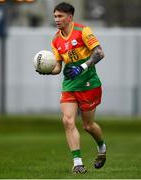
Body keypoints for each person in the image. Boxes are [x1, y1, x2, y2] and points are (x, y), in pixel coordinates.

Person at [36, 2, 106, 174]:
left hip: (88, 83)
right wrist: (47, 71)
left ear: (70, 17)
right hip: (69, 84)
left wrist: (81, 67)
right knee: (67, 120)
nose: (57, 19)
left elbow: (99, 53)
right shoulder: (55, 39)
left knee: (88, 126)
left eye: (60, 16)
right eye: (55, 16)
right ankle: (77, 164)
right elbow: (58, 67)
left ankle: (102, 147)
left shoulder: (83, 31)